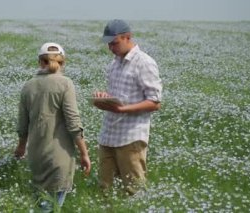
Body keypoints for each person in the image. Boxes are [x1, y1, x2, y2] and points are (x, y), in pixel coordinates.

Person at [14, 42, 91, 211]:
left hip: (36, 155)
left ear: (40, 62)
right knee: (50, 206)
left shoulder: (28, 85)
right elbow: (73, 123)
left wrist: (21, 147)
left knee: (41, 202)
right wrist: (84, 153)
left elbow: (22, 124)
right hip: (59, 156)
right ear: (63, 62)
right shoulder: (65, 84)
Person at [92, 19, 162, 196]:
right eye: (108, 44)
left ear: (128, 37)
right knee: (105, 189)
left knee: (133, 190)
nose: (111, 48)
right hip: (108, 134)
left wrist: (123, 110)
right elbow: (119, 97)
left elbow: (155, 102)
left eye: (114, 43)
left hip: (130, 137)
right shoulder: (114, 64)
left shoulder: (144, 62)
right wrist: (104, 98)